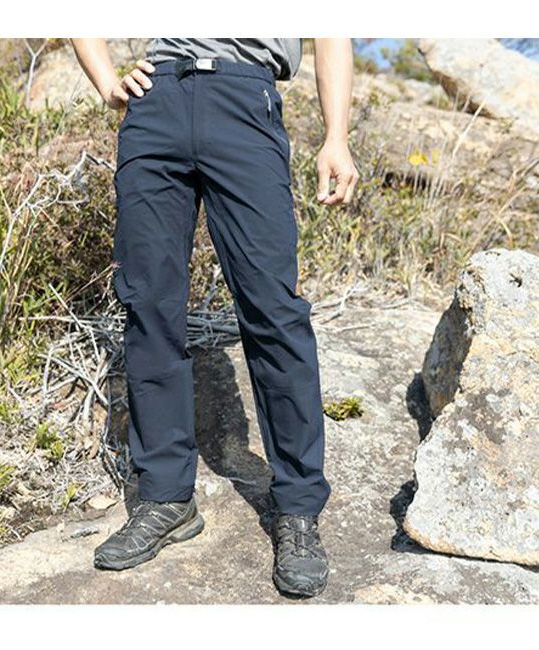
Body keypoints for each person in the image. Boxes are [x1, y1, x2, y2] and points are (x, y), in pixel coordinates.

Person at [71, 38, 358, 598]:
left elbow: (331, 31)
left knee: (274, 310)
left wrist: (337, 137)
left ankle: (298, 508)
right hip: (156, 105)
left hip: (244, 100)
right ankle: (165, 498)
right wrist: (107, 83)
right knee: (150, 306)